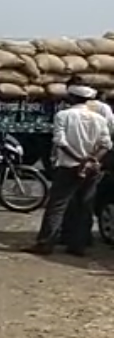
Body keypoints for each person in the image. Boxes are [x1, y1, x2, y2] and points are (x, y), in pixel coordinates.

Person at [25, 85, 111, 256]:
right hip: (92, 169)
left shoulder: (63, 115)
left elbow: (60, 142)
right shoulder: (99, 119)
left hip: (68, 167)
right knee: (84, 206)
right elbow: (106, 144)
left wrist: (79, 160)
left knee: (57, 206)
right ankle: (78, 245)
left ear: (71, 98)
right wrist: (92, 160)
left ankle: (45, 243)